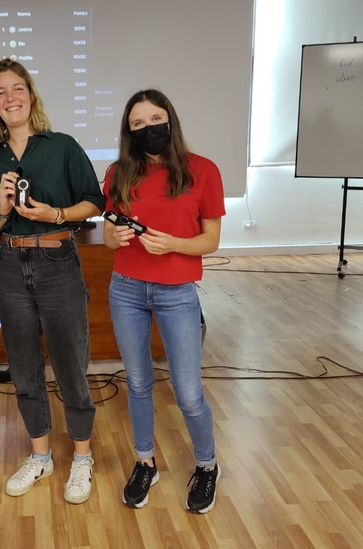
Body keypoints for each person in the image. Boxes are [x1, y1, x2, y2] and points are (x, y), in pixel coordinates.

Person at [0, 59, 105, 504]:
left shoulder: (62, 146)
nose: (10, 98)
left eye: (17, 88)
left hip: (57, 262)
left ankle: (82, 458)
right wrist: (4, 208)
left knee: (71, 366)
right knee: (24, 367)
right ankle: (41, 455)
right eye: (0, 92)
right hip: (10, 266)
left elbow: (94, 202)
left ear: (30, 94)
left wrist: (55, 214)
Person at [102, 89, 225, 513]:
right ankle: (144, 461)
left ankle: (207, 466)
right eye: (137, 124)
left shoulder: (203, 170)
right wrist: (112, 236)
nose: (147, 128)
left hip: (177, 293)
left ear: (169, 121)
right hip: (126, 289)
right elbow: (107, 230)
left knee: (188, 392)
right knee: (137, 383)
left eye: (155, 119)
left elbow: (210, 240)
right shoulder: (119, 172)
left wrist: (173, 244)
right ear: (129, 132)